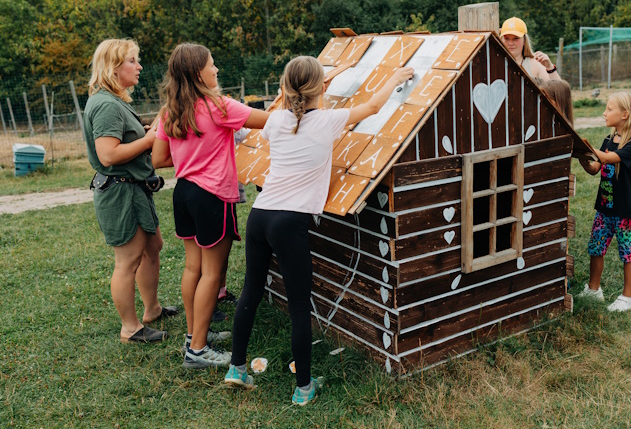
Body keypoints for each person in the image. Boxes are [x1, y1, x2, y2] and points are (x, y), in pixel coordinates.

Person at [224, 56, 414, 405]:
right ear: (321, 89)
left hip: (261, 214)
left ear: (285, 87)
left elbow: (288, 100)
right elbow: (372, 105)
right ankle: (304, 388)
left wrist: (322, 79)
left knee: (251, 290)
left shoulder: (277, 118)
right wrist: (396, 76)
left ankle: (236, 368)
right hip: (289, 220)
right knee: (299, 305)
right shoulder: (328, 121)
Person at [152, 43, 269, 368]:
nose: (216, 70)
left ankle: (194, 335)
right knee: (212, 274)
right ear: (196, 72)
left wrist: (193, 154)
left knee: (193, 269)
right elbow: (269, 121)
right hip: (212, 196)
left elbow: (159, 158)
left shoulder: (169, 110)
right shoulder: (219, 106)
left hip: (184, 194)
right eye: (211, 65)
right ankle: (198, 351)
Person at [83, 38, 177, 344]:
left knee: (153, 247)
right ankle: (130, 328)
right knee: (128, 260)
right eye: (132, 61)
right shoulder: (106, 105)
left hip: (134, 189)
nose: (139, 67)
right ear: (113, 67)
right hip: (120, 193)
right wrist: (151, 138)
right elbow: (108, 154)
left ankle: (152, 309)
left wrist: (152, 127)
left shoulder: (115, 101)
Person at [577, 92, 631, 312]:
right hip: (604, 208)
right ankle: (594, 290)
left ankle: (628, 297)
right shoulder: (608, 140)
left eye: (609, 109)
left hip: (624, 211)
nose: (604, 113)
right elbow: (596, 168)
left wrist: (586, 148)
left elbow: (607, 159)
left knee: (627, 252)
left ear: (624, 115)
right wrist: (582, 157)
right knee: (596, 248)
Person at [500, 17, 561, 82]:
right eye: (507, 38)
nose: (511, 43)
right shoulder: (493, 62)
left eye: (516, 38)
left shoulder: (535, 64)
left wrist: (550, 68)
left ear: (524, 40)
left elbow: (559, 90)